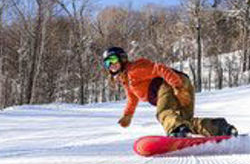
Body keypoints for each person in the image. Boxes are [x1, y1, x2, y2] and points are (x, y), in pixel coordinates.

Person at [101, 46, 238, 137]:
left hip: (169, 85)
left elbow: (159, 68)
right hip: (182, 83)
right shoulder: (127, 81)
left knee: (164, 112)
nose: (111, 65)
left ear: (122, 58)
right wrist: (127, 115)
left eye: (113, 59)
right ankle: (221, 128)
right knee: (186, 121)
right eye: (107, 63)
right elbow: (132, 99)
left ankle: (177, 130)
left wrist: (177, 87)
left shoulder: (134, 69)